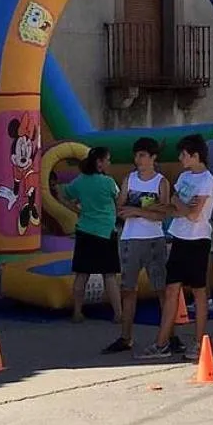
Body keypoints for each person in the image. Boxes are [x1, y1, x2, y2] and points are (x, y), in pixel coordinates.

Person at [138, 135, 213, 360]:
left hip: (198, 240)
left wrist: (179, 204)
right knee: (171, 289)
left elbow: (194, 214)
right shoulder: (183, 177)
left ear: (195, 155)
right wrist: (180, 205)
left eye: (184, 154)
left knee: (199, 293)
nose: (181, 158)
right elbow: (176, 208)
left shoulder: (207, 180)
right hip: (179, 237)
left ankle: (199, 342)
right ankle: (162, 342)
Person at [107, 138, 170, 353]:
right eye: (136, 155)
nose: (138, 159)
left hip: (154, 238)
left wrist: (137, 211)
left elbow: (162, 213)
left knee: (161, 288)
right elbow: (121, 208)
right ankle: (126, 336)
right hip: (130, 238)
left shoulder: (161, 182)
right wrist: (140, 211)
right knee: (128, 289)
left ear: (153, 157)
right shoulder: (129, 179)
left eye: (143, 155)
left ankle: (168, 334)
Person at [61, 147, 122, 324]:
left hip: (85, 230)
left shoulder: (79, 181)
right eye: (108, 160)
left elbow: (64, 195)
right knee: (109, 275)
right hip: (105, 231)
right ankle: (118, 313)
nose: (110, 163)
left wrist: (77, 210)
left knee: (82, 274)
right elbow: (118, 200)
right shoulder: (108, 182)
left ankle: (77, 311)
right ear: (100, 163)